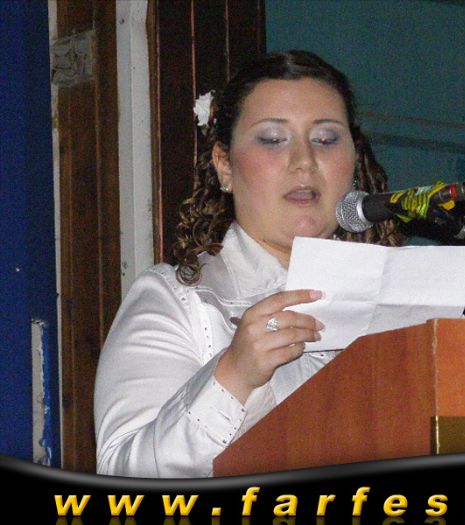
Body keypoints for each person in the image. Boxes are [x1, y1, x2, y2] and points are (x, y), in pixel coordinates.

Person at [93, 50, 403, 478]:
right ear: (225, 165)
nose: (304, 161)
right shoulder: (177, 301)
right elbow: (123, 473)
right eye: (273, 139)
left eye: (326, 139)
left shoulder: (402, 299)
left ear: (354, 160)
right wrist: (233, 377)